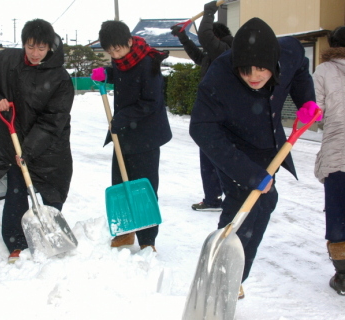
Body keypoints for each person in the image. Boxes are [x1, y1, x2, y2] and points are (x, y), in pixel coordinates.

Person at [189, 18, 317, 298]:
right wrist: (248, 173)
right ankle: (224, 278)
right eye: (245, 70)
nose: (254, 76)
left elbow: (299, 72)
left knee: (265, 200)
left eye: (261, 68)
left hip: (267, 141)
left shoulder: (290, 51)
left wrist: (306, 100)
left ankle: (232, 274)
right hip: (232, 145)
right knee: (243, 204)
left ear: (273, 60)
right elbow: (200, 128)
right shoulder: (219, 77)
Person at [0, 19, 74, 263]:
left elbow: (53, 120)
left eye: (41, 48)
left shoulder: (60, 77)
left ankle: (49, 234)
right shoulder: (6, 60)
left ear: (50, 46)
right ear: (23, 44)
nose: (36, 53)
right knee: (16, 192)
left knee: (52, 191)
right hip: (13, 138)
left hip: (50, 145)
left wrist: (28, 150)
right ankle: (15, 241)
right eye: (30, 47)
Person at [92, 20, 172, 251]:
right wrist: (105, 73)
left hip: (146, 136)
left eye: (118, 49)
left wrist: (122, 118)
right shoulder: (122, 60)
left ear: (129, 41)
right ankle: (125, 232)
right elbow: (120, 75)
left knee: (144, 187)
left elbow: (150, 102)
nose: (115, 55)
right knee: (120, 184)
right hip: (124, 133)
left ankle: (148, 240)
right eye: (110, 52)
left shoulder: (148, 63)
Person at [171, 0, 233, 212]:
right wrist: (182, 36)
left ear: (215, 36)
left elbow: (205, 36)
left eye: (208, 38)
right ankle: (214, 198)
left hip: (221, 115)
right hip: (212, 113)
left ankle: (224, 197)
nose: (205, 43)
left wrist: (209, 11)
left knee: (218, 157)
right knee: (210, 156)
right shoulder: (215, 54)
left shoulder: (226, 49)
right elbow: (197, 56)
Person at [312, 25, 345, 296]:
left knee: (338, 212)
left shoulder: (323, 71)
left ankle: (343, 276)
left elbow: (316, 112)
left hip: (338, 152)